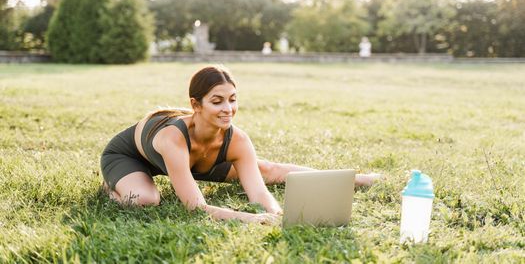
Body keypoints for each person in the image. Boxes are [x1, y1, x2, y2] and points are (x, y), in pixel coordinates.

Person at [100, 65, 380, 225]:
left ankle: (356, 179)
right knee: (148, 199)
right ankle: (114, 189)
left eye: (233, 99)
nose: (228, 109)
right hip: (131, 157)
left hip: (197, 159)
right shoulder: (173, 138)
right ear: (196, 105)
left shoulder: (237, 139)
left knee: (268, 169)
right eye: (217, 101)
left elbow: (258, 191)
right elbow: (195, 208)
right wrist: (248, 219)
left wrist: (274, 213)